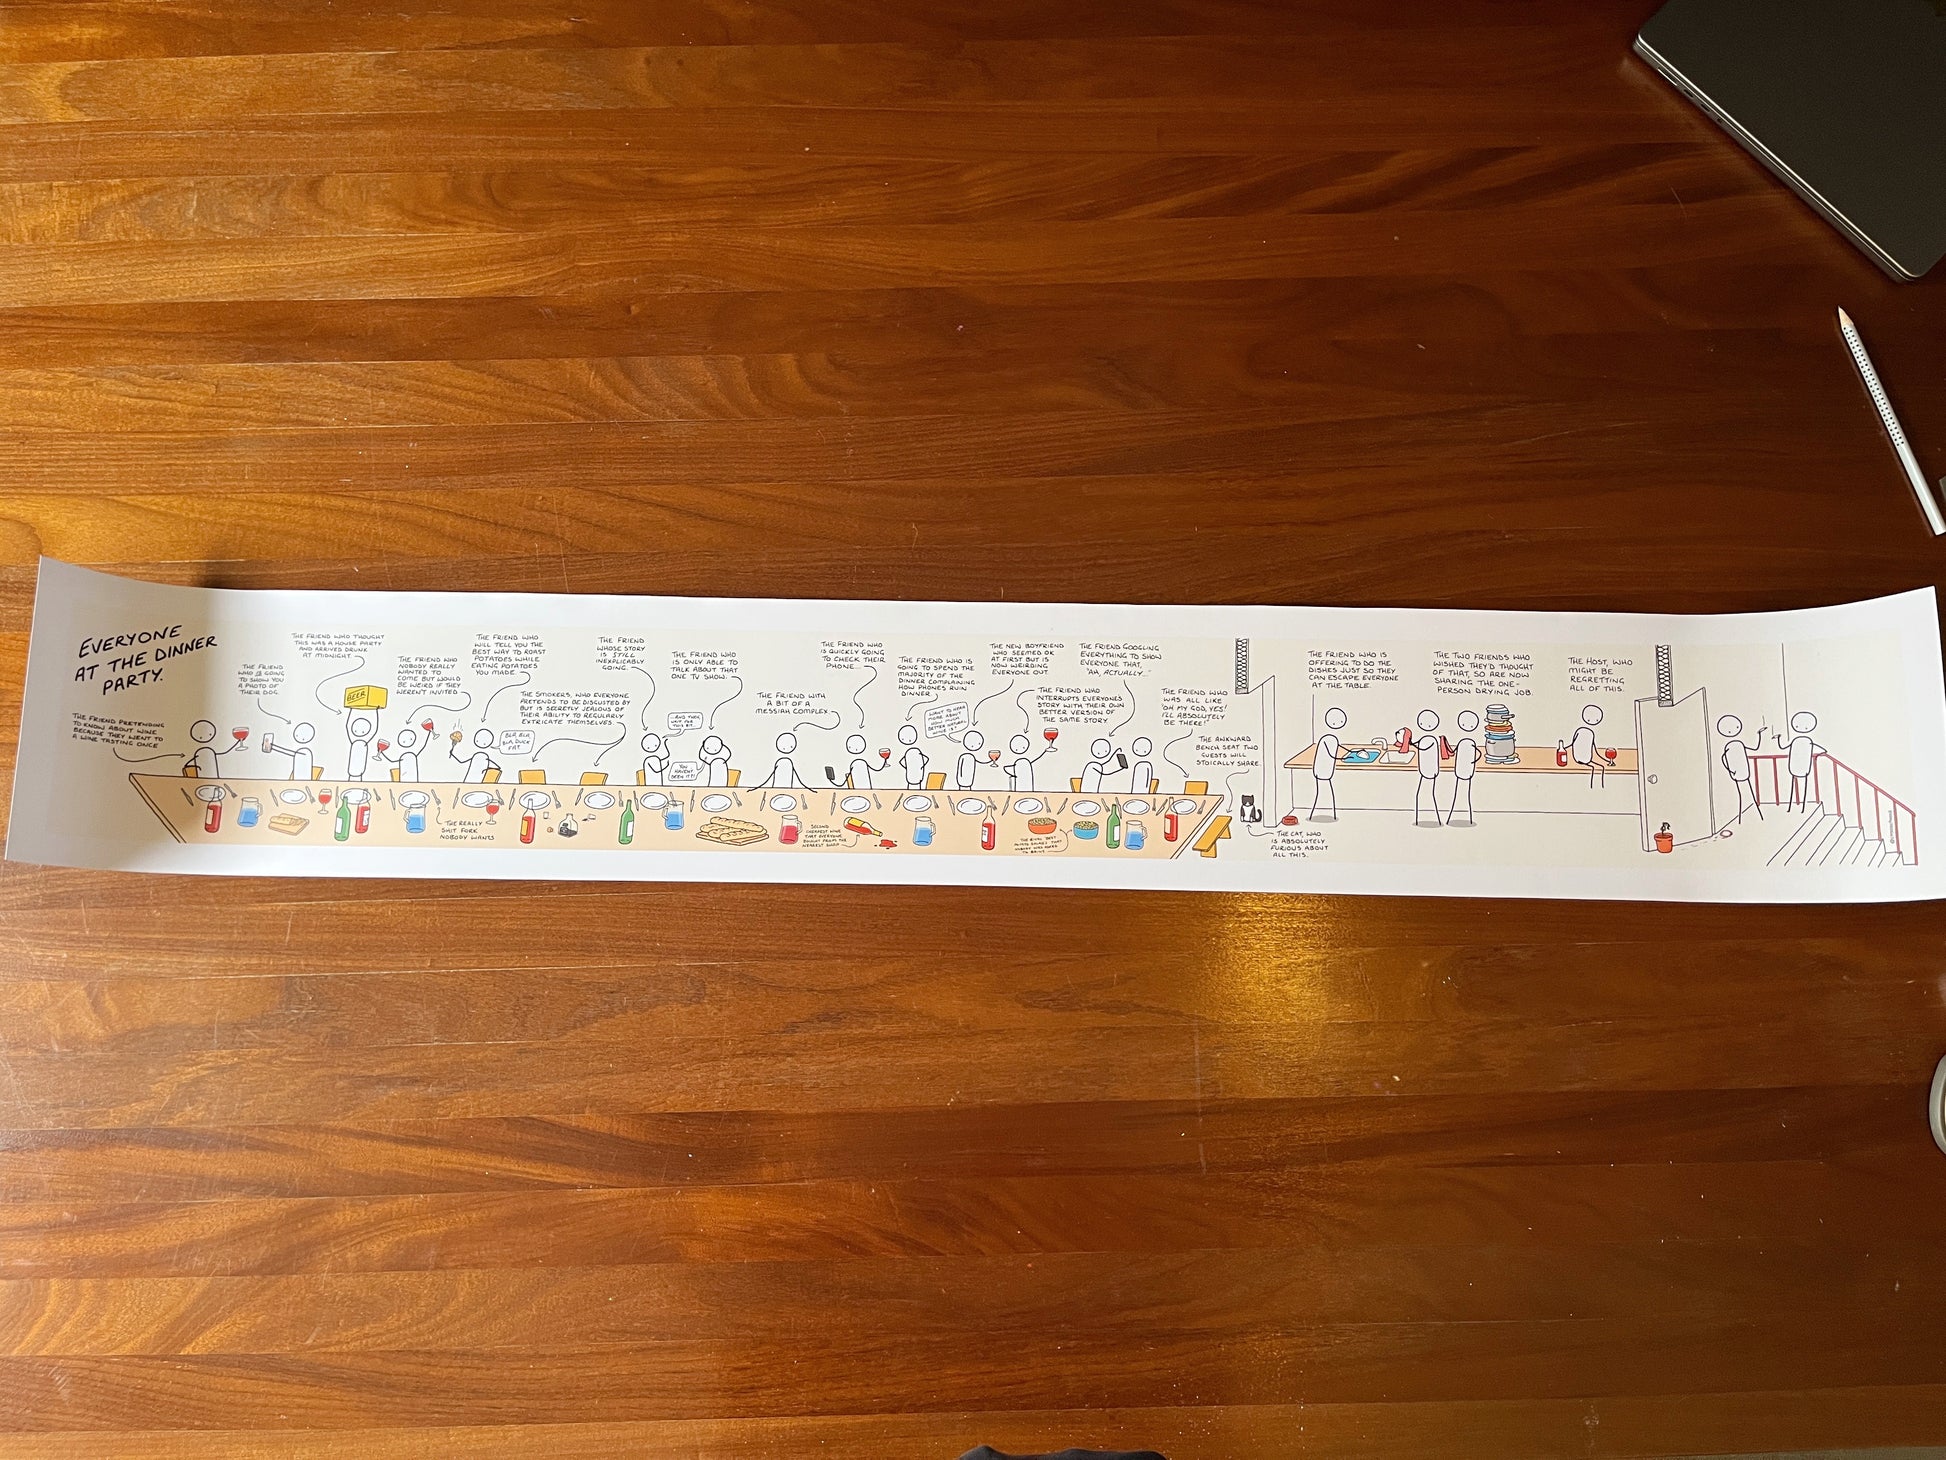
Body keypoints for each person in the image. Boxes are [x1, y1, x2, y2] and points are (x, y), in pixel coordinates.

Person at [1717, 713, 1765, 822]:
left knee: (1749, 792)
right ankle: (1742, 816)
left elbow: (1755, 748)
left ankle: (1751, 814)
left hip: (1742, 771)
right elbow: (1723, 758)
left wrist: (1759, 735)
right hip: (1738, 772)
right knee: (1742, 794)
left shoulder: (1738, 744)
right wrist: (1730, 770)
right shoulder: (1732, 745)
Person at [1782, 710, 1824, 813]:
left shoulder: (1799, 741)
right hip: (1800, 766)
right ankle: (1801, 808)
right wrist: (1817, 755)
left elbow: (1783, 747)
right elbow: (1822, 750)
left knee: (1796, 786)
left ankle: (1796, 807)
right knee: (1801, 786)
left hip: (1797, 766)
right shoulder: (1806, 741)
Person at [1310, 707, 1345, 821]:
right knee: (1322, 791)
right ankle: (1321, 813)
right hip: (1322, 770)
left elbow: (1337, 749)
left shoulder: (1331, 739)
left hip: (1326, 770)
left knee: (1327, 791)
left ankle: (1332, 813)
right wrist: (1343, 757)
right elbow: (1331, 755)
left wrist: (1350, 752)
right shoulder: (1328, 739)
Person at [1448, 709, 1481, 826]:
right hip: (1465, 769)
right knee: (1464, 793)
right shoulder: (1468, 742)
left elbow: (1453, 752)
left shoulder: (1465, 742)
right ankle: (1468, 818)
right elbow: (1479, 754)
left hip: (1464, 769)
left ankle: (1463, 817)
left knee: (1461, 793)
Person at [1412, 709, 1442, 826]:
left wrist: (1410, 743)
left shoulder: (1430, 740)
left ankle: (1436, 819)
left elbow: (1422, 748)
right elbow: (1418, 746)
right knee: (1420, 794)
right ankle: (1419, 818)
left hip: (1430, 770)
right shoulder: (1426, 739)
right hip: (1424, 770)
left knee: (1430, 794)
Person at [1569, 704, 1606, 788]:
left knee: (1599, 768)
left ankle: (1598, 787)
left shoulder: (1584, 731)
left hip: (1584, 759)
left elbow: (1572, 743)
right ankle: (1595, 787)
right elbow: (1594, 749)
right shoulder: (1587, 732)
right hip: (1582, 759)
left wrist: (1605, 760)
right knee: (1598, 768)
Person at [345, 712, 377, 780]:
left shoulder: (363, 743)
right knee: (354, 776)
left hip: (359, 771)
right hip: (353, 771)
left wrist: (376, 712)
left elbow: (374, 731)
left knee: (356, 776)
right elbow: (347, 726)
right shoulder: (354, 741)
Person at [897, 723, 929, 788]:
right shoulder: (912, 751)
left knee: (913, 787)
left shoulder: (912, 751)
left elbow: (901, 761)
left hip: (915, 775)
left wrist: (909, 767)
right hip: (913, 775)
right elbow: (926, 759)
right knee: (914, 787)